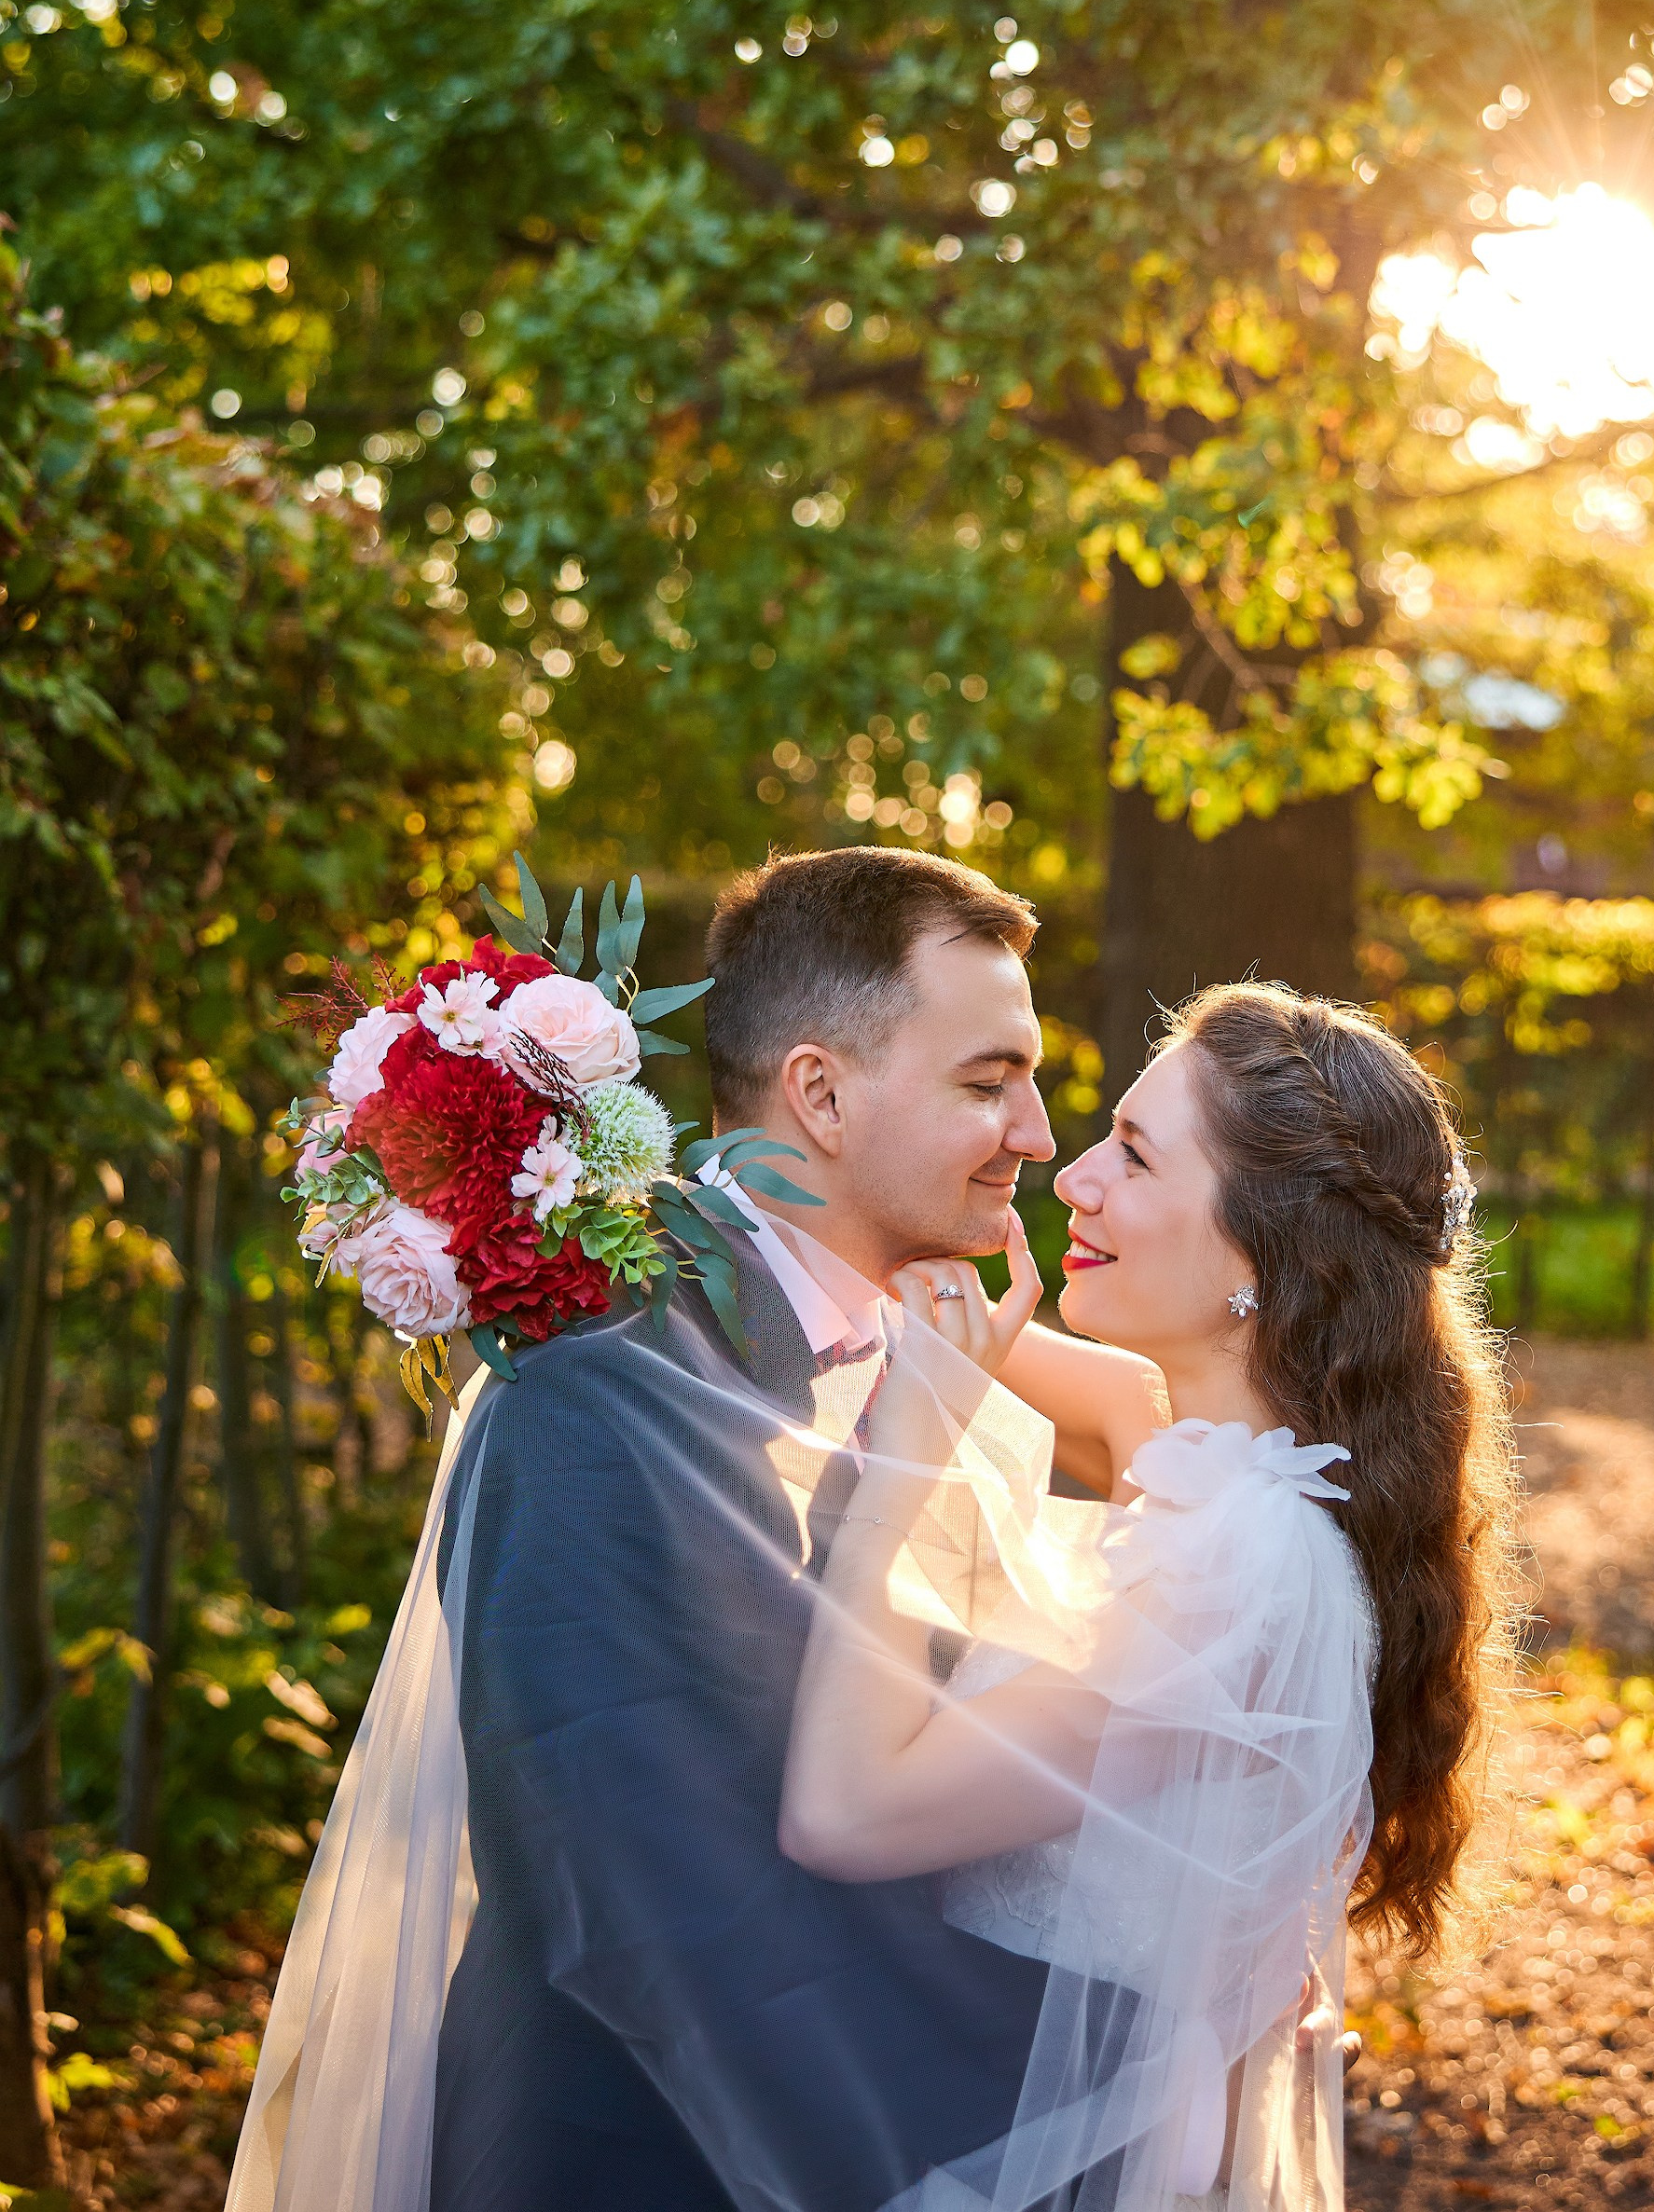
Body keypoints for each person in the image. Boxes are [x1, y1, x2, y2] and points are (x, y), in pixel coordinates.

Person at [226, 845, 1067, 2212]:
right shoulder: (601, 1387)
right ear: (822, 1094)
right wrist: (1063, 2068)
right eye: (988, 1084)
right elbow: (647, 1899)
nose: (1035, 1134)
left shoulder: (902, 1362)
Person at [779, 981, 1522, 2211]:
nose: (1073, 1177)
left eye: (1133, 1156)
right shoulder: (1241, 1472)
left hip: (1045, 2152)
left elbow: (842, 1820)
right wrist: (854, 1237)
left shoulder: (1236, 1574)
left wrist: (907, 1454)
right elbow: (1110, 1399)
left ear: (1264, 1255)